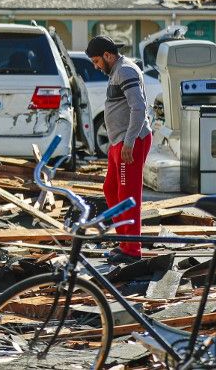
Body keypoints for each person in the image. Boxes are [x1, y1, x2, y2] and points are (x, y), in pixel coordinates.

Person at [86, 34, 151, 263]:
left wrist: (130, 142)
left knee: (127, 195)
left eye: (96, 61)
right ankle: (125, 242)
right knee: (111, 189)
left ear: (108, 55)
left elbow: (139, 108)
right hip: (119, 142)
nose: (95, 66)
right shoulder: (116, 71)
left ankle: (132, 250)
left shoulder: (125, 70)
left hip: (129, 142)